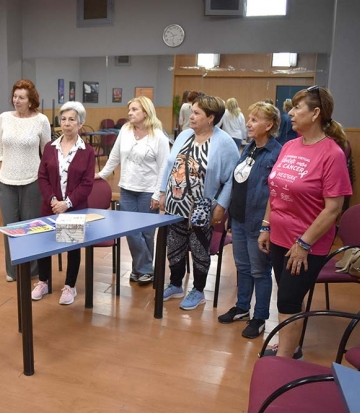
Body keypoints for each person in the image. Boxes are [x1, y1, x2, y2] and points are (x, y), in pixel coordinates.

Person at [258, 86, 352, 358]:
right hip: (279, 236)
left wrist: (303, 243)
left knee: (288, 298)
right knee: (287, 296)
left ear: (316, 113)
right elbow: (274, 188)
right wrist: (266, 225)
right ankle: (291, 344)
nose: (290, 113)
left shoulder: (332, 153)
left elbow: (333, 208)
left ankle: (285, 357)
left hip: (306, 244)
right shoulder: (289, 146)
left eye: (297, 108)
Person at [160, 95, 239, 310]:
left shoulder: (224, 143)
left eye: (196, 113)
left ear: (211, 118)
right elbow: (168, 166)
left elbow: (232, 179)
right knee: (174, 247)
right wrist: (161, 192)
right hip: (175, 203)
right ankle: (176, 284)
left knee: (199, 249)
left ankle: (198, 290)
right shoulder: (184, 135)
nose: (191, 116)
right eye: (192, 112)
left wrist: (221, 205)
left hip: (202, 208)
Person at [218, 102, 282, 339]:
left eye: (255, 119)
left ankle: (260, 317)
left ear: (270, 125)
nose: (248, 123)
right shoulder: (249, 148)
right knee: (243, 267)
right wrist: (230, 214)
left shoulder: (277, 153)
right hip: (239, 218)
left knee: (260, 271)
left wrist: (267, 224)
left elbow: (275, 194)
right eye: (250, 118)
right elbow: (238, 182)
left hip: (258, 221)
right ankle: (242, 308)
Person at [95, 96, 170, 285]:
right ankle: (145, 268)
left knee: (147, 233)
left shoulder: (159, 137)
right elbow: (114, 157)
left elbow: (164, 168)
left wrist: (158, 193)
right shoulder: (125, 131)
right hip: (127, 189)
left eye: (135, 109)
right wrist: (102, 174)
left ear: (146, 112)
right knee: (131, 231)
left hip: (148, 191)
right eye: (129, 110)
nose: (130, 113)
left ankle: (140, 269)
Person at [31, 102, 95, 305]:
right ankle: (43, 282)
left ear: (81, 123)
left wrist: (66, 203)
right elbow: (42, 177)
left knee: (72, 246)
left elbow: (87, 184)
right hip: (49, 206)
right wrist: (52, 200)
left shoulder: (87, 151)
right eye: (63, 119)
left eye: (72, 120)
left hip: (74, 208)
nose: (66, 124)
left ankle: (70, 286)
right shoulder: (50, 147)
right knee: (43, 245)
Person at [0, 79, 52, 282]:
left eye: (21, 97)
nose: (16, 101)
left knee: (32, 226)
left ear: (31, 101)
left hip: (33, 180)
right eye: (15, 96)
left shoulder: (41, 120)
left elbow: (47, 153)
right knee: (11, 226)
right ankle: (13, 270)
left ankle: (34, 270)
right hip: (7, 181)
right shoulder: (4, 118)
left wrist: (47, 182)